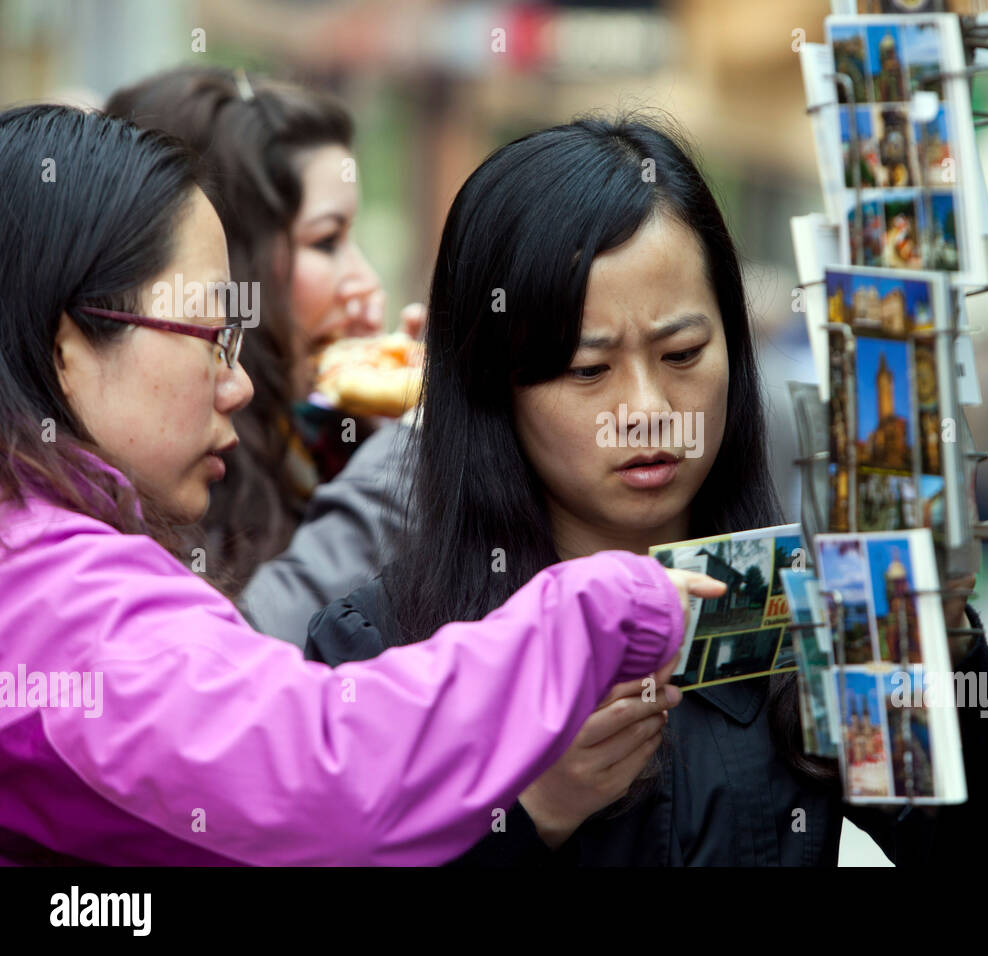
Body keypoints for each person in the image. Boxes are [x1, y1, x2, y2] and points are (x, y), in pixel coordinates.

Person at [308, 113, 988, 865]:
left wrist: (946, 644)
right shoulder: (377, 647)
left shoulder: (805, 610)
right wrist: (529, 818)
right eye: (589, 370)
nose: (648, 413)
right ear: (492, 384)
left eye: (682, 353)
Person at [0, 103, 717, 865]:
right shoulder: (59, 595)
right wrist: (605, 607)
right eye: (211, 337)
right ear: (67, 346)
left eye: (683, 352)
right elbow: (324, 765)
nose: (236, 383)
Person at [104, 67, 420, 600]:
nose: (367, 286)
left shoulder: (321, 444)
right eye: (326, 241)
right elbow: (254, 656)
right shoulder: (154, 487)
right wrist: (405, 458)